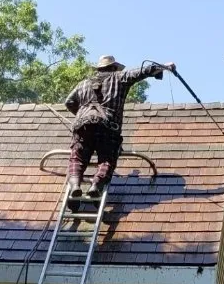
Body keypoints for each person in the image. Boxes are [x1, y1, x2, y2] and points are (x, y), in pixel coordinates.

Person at [64, 55, 175, 206]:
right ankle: (96, 185)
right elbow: (141, 72)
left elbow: (69, 102)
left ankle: (75, 185)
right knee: (107, 159)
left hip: (83, 127)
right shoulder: (119, 77)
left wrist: (83, 115)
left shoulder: (83, 84)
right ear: (114, 67)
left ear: (99, 69)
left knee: (78, 158)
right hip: (108, 128)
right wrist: (164, 66)